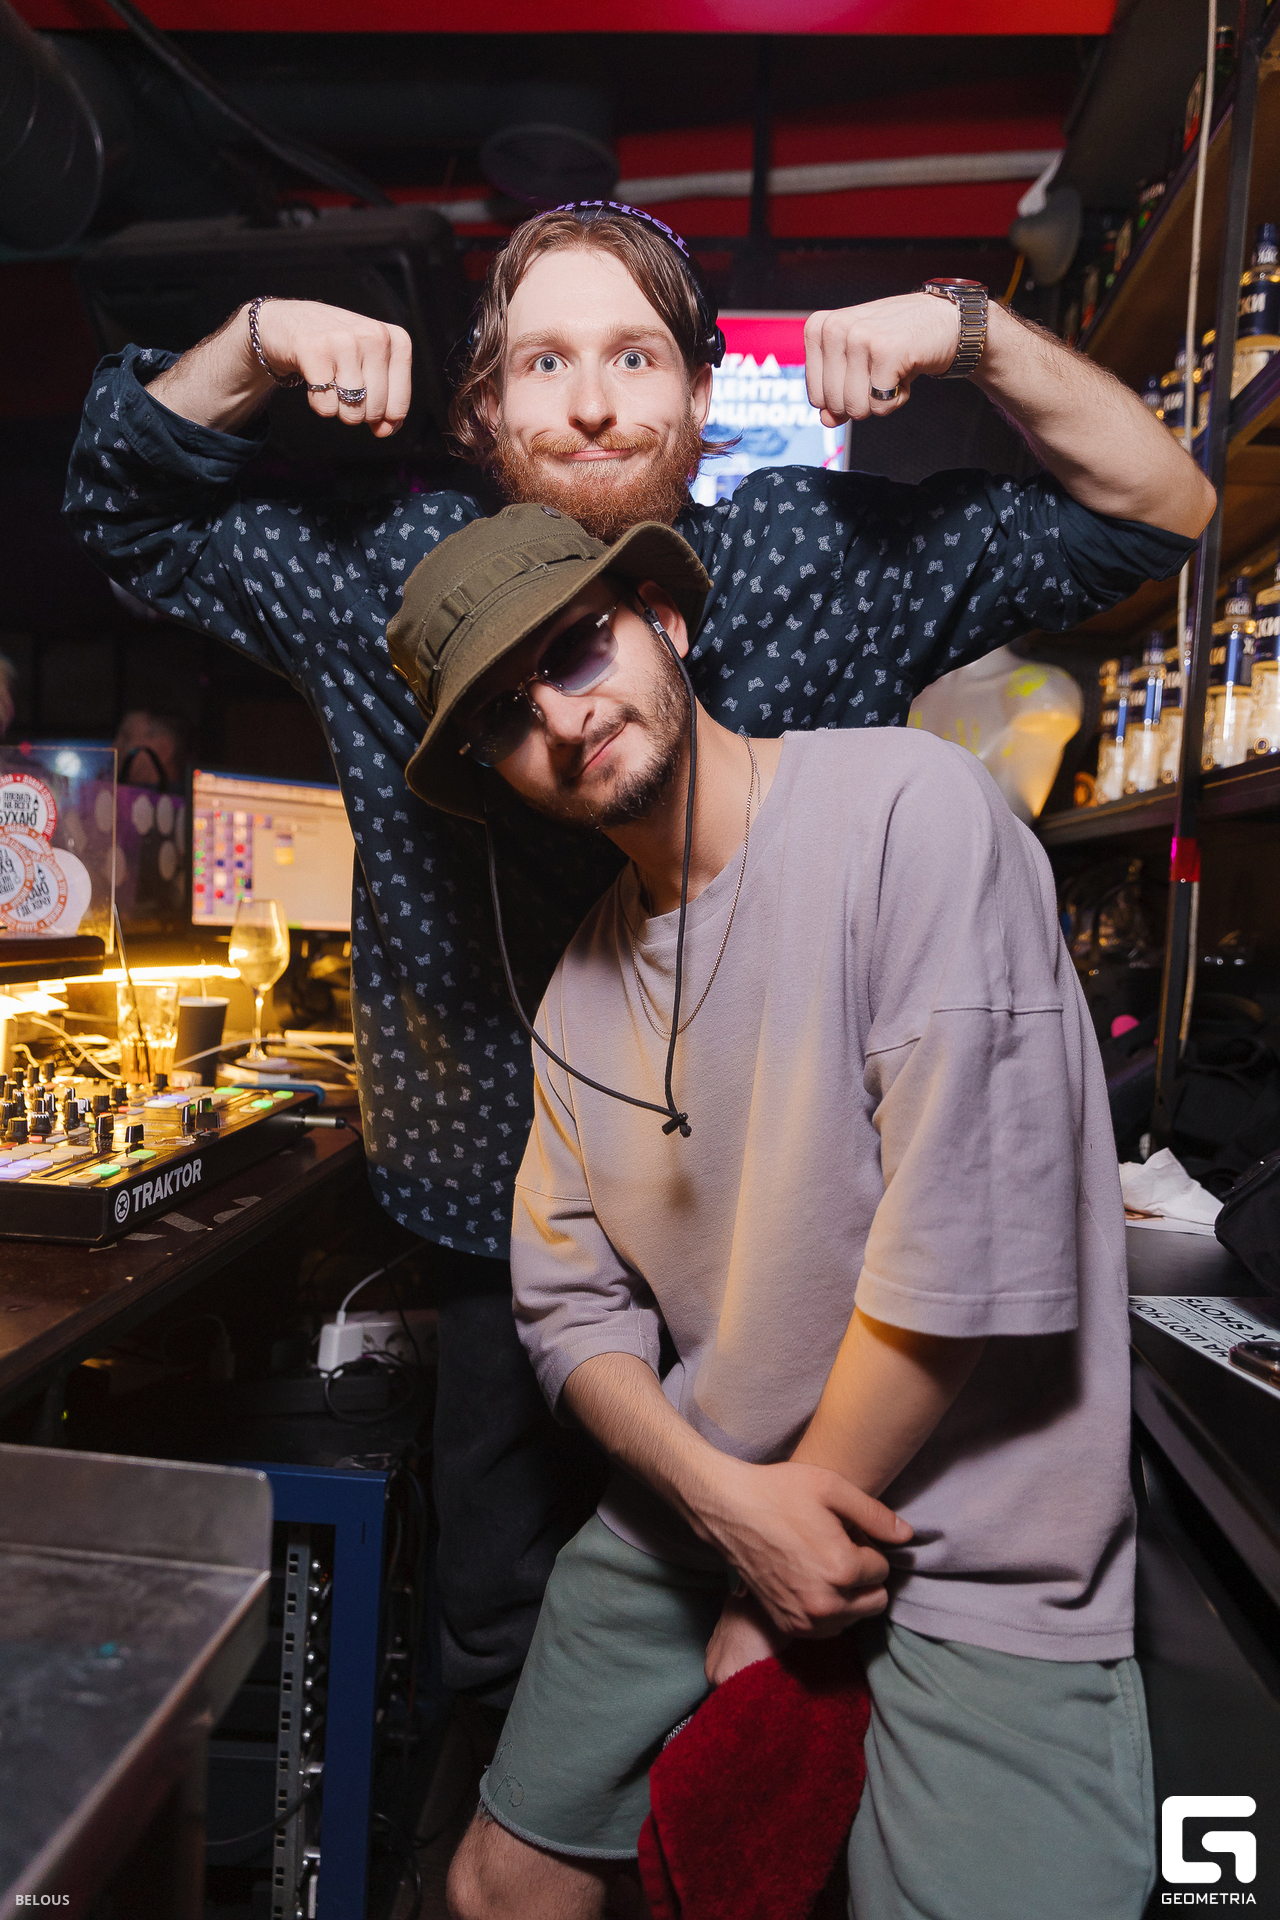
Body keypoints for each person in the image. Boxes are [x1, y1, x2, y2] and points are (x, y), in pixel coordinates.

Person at [62, 203, 1214, 1723]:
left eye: (634, 355)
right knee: (506, 1648)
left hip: (807, 1251)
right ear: (483, 412)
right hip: (508, 1237)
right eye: (544, 361)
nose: (594, 401)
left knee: (815, 1650)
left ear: (698, 390)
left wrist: (970, 333)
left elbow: (1159, 510)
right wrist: (266, 341)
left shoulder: (809, 554)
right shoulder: (398, 582)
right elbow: (125, 512)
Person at [387, 503, 1157, 1920]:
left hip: (983, 1532)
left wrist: (771, 1576)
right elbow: (567, 1314)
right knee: (500, 1886)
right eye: (503, 717)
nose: (559, 717)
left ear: (666, 622)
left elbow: (955, 1255)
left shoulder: (910, 809)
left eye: (574, 650)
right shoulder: (576, 995)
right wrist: (727, 1511)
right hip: (709, 1504)